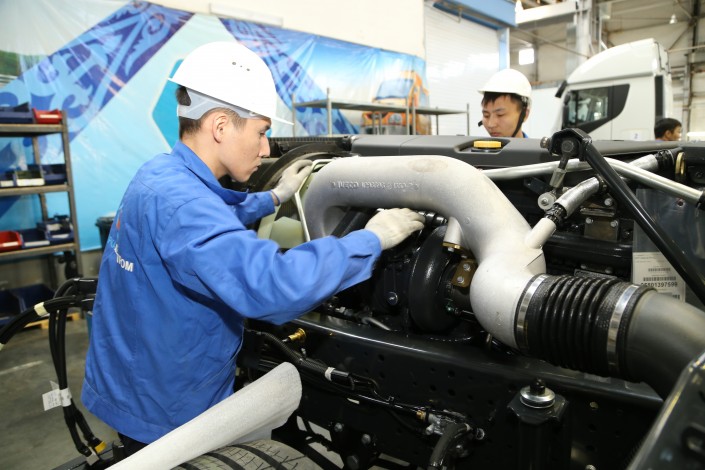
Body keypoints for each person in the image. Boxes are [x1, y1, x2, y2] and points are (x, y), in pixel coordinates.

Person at [82, 41, 425, 455]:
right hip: (168, 413)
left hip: (133, 380)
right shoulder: (186, 206)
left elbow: (206, 219)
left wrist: (274, 197)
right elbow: (274, 285)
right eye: (261, 132)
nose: (266, 149)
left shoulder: (159, 173)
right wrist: (373, 239)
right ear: (220, 126)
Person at [478, 68, 532, 138]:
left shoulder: (536, 146)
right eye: (486, 115)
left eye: (500, 115)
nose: (491, 124)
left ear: (525, 115)